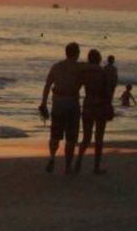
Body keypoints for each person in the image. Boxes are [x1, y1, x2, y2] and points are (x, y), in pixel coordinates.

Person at [40, 41, 84, 174]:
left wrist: (43, 103)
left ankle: (52, 157)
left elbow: (47, 86)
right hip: (72, 102)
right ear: (77, 54)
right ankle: (68, 166)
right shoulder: (80, 68)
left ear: (66, 52)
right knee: (71, 137)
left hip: (58, 102)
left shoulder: (56, 67)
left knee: (55, 134)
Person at [75, 49, 112, 174]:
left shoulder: (84, 72)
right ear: (99, 59)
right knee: (99, 138)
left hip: (88, 104)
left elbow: (77, 87)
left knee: (86, 137)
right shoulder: (102, 72)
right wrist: (109, 106)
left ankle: (79, 160)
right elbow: (107, 92)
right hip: (100, 105)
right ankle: (96, 167)